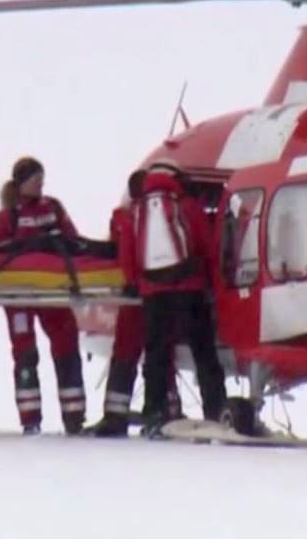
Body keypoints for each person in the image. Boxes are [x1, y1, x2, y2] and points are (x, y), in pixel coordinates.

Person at [120, 160, 226, 437]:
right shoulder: (186, 203)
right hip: (189, 288)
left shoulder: (137, 209)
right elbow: (207, 243)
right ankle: (216, 411)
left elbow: (127, 250)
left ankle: (155, 413)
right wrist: (214, 281)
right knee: (204, 352)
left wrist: (134, 283)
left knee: (156, 354)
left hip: (154, 293)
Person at [0, 156, 86, 435]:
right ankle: (30, 418)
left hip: (51, 289)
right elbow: (0, 253)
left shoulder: (52, 207)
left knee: (67, 345)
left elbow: (72, 238)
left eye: (41, 177)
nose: (40, 183)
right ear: (22, 182)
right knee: (25, 353)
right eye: (35, 178)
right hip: (19, 294)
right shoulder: (8, 216)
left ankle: (74, 415)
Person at [89, 171, 182, 438]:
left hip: (135, 295)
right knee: (161, 351)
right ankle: (167, 409)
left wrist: (130, 280)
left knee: (127, 352)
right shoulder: (164, 211)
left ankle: (116, 414)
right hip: (160, 292)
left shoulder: (126, 218)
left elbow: (124, 250)